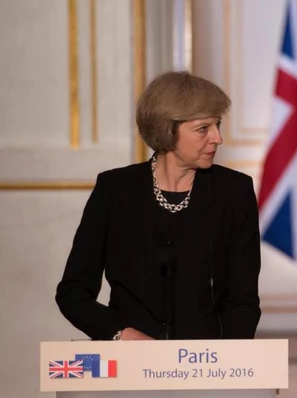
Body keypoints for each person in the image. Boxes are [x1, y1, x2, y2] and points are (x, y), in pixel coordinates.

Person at [56, 71, 262, 341]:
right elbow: (73, 293)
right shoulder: (115, 190)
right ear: (168, 129)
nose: (217, 138)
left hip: (209, 366)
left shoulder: (235, 192)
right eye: (203, 129)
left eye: (217, 125)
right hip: (129, 365)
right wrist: (120, 333)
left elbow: (243, 300)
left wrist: (219, 360)